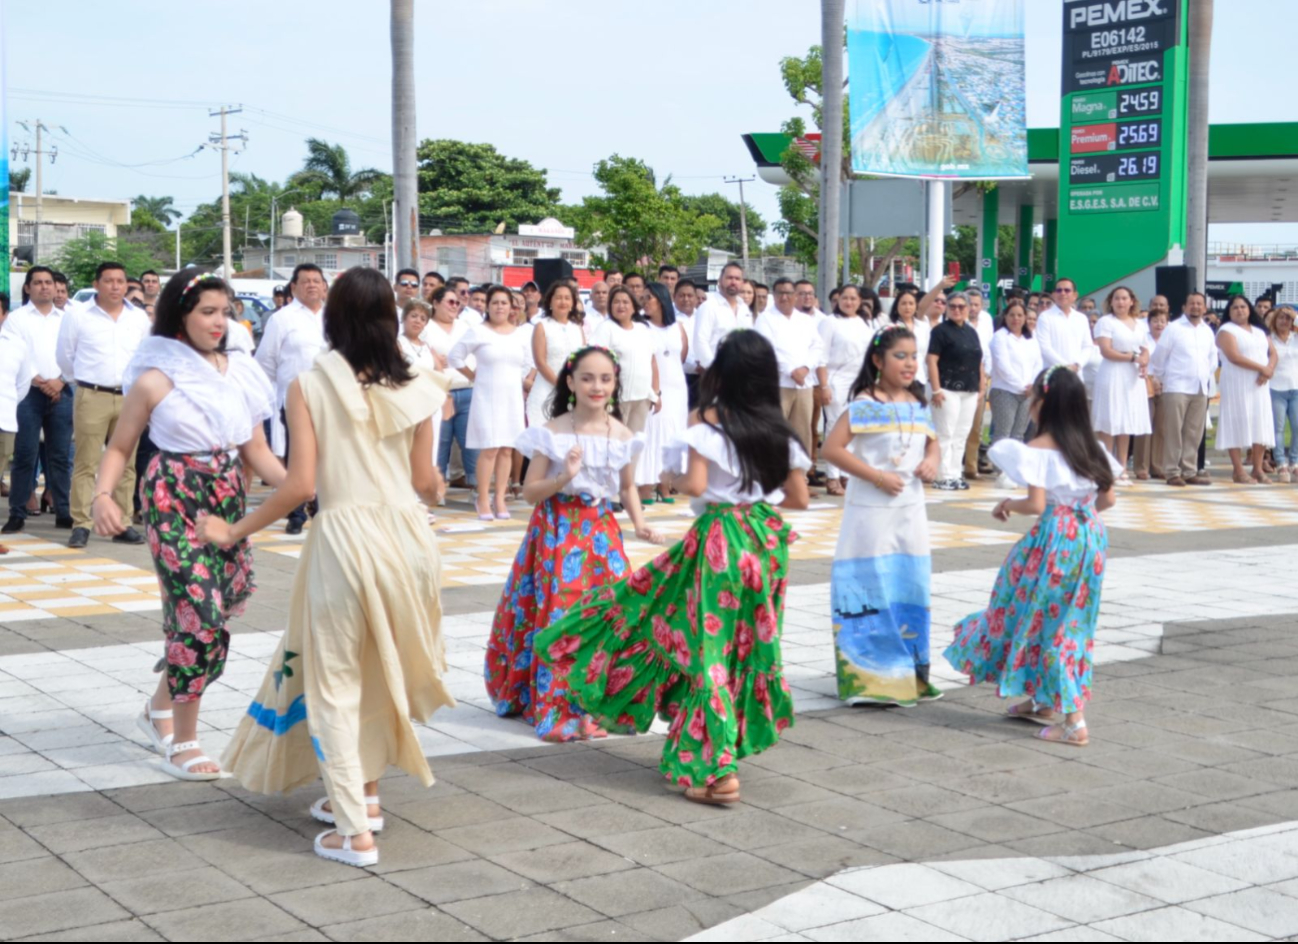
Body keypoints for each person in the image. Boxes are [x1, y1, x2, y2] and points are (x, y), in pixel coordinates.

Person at [208, 267, 453, 869]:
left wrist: (234, 530)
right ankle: (362, 798)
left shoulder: (310, 385)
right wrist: (436, 487)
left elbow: (300, 486)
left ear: (332, 316)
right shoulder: (421, 382)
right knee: (374, 672)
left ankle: (355, 831)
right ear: (392, 317)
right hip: (409, 540)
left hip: (345, 539)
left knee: (337, 682)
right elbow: (427, 483)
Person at [535, 330, 811, 805]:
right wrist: (756, 491)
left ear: (721, 372)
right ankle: (707, 746)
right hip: (766, 543)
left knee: (702, 646)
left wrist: (672, 478)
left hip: (720, 540)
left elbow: (695, 484)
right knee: (746, 645)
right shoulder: (781, 432)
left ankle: (717, 771)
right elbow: (799, 499)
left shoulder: (707, 425)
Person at [92, 270, 282, 781]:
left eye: (225, 312)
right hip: (173, 495)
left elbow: (257, 451)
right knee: (200, 614)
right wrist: (104, 495)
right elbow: (119, 446)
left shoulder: (241, 372)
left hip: (226, 497)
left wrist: (304, 492)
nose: (220, 322)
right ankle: (184, 738)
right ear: (181, 314)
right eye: (207, 312)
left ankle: (159, 710)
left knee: (216, 610)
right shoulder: (156, 376)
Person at [487, 347, 663, 741]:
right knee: (561, 617)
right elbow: (531, 492)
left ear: (616, 384)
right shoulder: (551, 433)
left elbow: (628, 486)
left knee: (612, 615)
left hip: (602, 533)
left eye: (605, 379)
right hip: (557, 532)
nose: (596, 386)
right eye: (587, 378)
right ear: (570, 382)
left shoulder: (623, 435)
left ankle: (599, 705)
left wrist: (640, 523)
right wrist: (563, 478)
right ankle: (557, 706)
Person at [944, 367, 1119, 747]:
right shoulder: (1094, 448)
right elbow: (1107, 500)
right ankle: (1042, 700)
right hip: (1089, 537)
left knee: (1042, 616)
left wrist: (1007, 503)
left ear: (1044, 404)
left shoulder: (1039, 450)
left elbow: (1036, 503)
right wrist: (1078, 518)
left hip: (1054, 538)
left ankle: (1074, 721)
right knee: (1069, 617)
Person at [822, 325, 940, 707]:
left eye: (912, 356)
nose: (909, 364)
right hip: (870, 512)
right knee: (868, 588)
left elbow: (933, 443)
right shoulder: (862, 404)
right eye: (899, 356)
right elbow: (832, 450)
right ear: (878, 360)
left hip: (911, 511)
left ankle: (910, 674)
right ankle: (870, 677)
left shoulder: (919, 403)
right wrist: (876, 476)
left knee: (910, 587)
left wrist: (931, 461)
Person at [57, 262, 151, 548]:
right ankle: (81, 523)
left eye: (120, 281)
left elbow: (147, 356)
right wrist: (83, 382)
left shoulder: (139, 319)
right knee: (86, 462)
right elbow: (64, 356)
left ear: (127, 285)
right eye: (108, 281)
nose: (115, 286)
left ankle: (121, 524)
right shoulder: (78, 315)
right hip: (91, 395)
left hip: (129, 397)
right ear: (96, 284)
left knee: (126, 463)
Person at [255, 263, 329, 534]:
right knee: (295, 456)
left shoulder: (335, 318)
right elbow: (265, 362)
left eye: (316, 280)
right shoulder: (282, 318)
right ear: (294, 288)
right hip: (292, 401)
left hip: (329, 400)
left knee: (326, 455)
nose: (311, 285)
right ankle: (295, 512)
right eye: (305, 281)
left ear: (324, 286)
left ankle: (321, 506)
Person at [449, 285, 531, 519]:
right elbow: (455, 356)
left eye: (504, 303)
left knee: (507, 448)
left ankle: (500, 499)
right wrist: (473, 376)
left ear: (511, 307)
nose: (499, 307)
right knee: (490, 448)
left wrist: (521, 381)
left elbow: (528, 361)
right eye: (494, 302)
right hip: (486, 397)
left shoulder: (520, 333)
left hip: (512, 397)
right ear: (487, 306)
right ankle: (483, 499)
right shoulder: (478, 331)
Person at [2, 267, 73, 534]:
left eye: (48, 283)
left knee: (60, 456)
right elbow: (15, 354)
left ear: (56, 288)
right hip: (29, 393)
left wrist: (60, 380)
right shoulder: (17, 319)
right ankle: (17, 513)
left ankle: (64, 512)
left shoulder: (67, 318)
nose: (44, 287)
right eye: (38, 283)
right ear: (28, 288)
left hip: (62, 390)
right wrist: (39, 380)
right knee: (25, 455)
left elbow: (74, 353)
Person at [1149, 292, 1218, 487]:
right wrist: (1161, 379)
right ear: (1184, 307)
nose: (1195, 307)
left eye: (1199, 304)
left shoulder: (1207, 330)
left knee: (1194, 432)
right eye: (1192, 304)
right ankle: (1172, 471)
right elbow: (1159, 357)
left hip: (1200, 387)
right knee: (1174, 431)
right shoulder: (1174, 329)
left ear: (1204, 308)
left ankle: (1189, 470)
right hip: (1177, 386)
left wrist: (1204, 374)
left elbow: (1212, 358)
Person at [756, 276, 827, 459]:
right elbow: (766, 349)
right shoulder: (765, 319)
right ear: (774, 295)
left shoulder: (805, 320)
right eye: (780, 293)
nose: (785, 297)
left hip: (804, 384)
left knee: (802, 433)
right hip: (778, 384)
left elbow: (817, 346)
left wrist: (804, 368)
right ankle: (774, 478)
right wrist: (791, 371)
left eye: (788, 293)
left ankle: (799, 478)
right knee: (775, 431)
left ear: (795, 296)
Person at [1091, 286, 1152, 484]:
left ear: (1131, 301)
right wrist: (1133, 357)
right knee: (1110, 420)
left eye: (1124, 298)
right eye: (1116, 299)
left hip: (1132, 376)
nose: (1120, 302)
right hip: (1113, 373)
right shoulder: (1105, 322)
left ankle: (1122, 466)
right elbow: (1106, 351)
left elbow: (1145, 349)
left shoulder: (1139, 324)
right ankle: (1107, 466)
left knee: (1126, 422)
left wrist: (1143, 361)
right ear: (1111, 302)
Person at [926, 292, 985, 491]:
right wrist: (935, 390)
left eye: (961, 306)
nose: (957, 310)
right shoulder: (940, 331)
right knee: (945, 432)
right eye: (952, 306)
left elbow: (979, 361)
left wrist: (981, 388)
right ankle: (942, 475)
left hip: (969, 388)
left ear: (968, 308)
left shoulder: (971, 331)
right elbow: (931, 360)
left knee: (961, 434)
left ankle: (954, 473)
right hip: (946, 388)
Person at [1215, 295, 1277, 484]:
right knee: (1236, 422)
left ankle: (1258, 469)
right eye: (1235, 308)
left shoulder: (1259, 331)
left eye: (1243, 307)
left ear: (1249, 309)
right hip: (1236, 383)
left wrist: (1268, 371)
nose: (1240, 310)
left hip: (1259, 384)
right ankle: (1238, 470)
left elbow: (1273, 353)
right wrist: (1261, 368)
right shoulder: (1226, 330)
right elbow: (1234, 356)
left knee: (1260, 423)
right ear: (1229, 311)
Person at [819, 285, 873, 497]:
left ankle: (847, 474)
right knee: (834, 427)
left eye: (853, 299)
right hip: (836, 381)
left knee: (855, 428)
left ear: (860, 301)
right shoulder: (830, 323)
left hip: (858, 381)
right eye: (845, 298)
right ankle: (832, 476)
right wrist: (823, 385)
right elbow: (820, 356)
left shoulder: (863, 323)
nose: (849, 302)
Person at [588, 286, 660, 443]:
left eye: (626, 302)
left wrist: (656, 393)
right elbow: (593, 360)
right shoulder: (606, 328)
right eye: (616, 302)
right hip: (615, 399)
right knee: (612, 443)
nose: (621, 306)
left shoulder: (643, 330)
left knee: (633, 445)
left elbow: (652, 361)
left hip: (641, 398)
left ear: (634, 307)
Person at [638, 283, 689, 502]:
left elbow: (682, 355)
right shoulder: (642, 328)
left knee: (672, 436)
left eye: (649, 297)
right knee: (652, 436)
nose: (645, 302)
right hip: (654, 387)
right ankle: (646, 487)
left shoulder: (677, 327)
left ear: (660, 300)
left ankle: (665, 486)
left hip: (677, 387)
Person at [422, 287, 475, 495]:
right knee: (440, 442)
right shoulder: (426, 327)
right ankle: (438, 486)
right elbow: (426, 356)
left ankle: (476, 486)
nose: (455, 306)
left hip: (467, 389)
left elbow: (473, 354)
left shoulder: (465, 326)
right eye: (450, 302)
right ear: (435, 303)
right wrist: (438, 363)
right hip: (439, 392)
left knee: (470, 442)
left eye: (457, 303)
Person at [988, 300, 1043, 461]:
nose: (1016, 319)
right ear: (1005, 317)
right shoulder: (999, 337)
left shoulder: (1031, 338)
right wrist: (1022, 386)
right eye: (1012, 315)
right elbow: (1003, 366)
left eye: (1020, 315)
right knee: (1003, 433)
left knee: (1018, 434)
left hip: (1028, 393)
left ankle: (1013, 468)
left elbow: (1038, 362)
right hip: (1005, 391)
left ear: (1025, 317)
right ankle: (1001, 469)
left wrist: (1033, 385)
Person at [526, 282, 585, 428]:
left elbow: (583, 360)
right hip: (545, 390)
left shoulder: (577, 328)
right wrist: (561, 385)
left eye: (567, 298)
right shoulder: (542, 326)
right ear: (550, 301)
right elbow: (540, 362)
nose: (563, 302)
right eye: (558, 297)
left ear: (572, 303)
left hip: (573, 392)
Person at [691, 262, 752, 371]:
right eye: (729, 278)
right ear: (720, 280)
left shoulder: (744, 309)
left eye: (737, 279)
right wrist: (715, 371)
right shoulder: (709, 307)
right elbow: (700, 342)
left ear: (742, 283)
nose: (733, 282)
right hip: (716, 376)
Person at [1133, 310, 1170, 481]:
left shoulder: (1170, 339)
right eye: (1155, 321)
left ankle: (1158, 465)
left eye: (1163, 321)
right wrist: (1152, 379)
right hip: (1145, 385)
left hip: (1166, 386)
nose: (1159, 324)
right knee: (1144, 427)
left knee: (1161, 427)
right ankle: (1141, 467)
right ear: (1148, 323)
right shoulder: (1143, 339)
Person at [1035, 278, 1096, 371]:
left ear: (1075, 295)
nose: (1062, 293)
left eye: (1067, 290)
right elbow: (1044, 347)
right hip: (1053, 374)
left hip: (1076, 374)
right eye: (1059, 290)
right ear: (1054, 295)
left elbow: (1087, 346)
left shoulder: (1081, 318)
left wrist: (1078, 364)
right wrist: (1065, 366)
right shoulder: (1045, 317)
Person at [1269, 307, 1298, 483]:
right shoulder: (1269, 339)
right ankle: (1281, 463)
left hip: (1296, 387)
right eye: (1281, 318)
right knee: (1278, 428)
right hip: (1275, 388)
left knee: (1297, 427)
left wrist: (1295, 316)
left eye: (1288, 319)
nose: (1284, 322)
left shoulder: (1295, 338)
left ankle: (1294, 461)